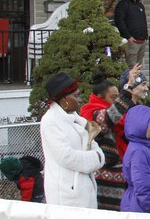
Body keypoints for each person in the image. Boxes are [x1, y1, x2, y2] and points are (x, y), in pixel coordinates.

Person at [39, 72, 105, 208]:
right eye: (76, 96)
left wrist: (97, 156)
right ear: (64, 101)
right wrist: (96, 158)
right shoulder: (50, 121)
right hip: (66, 194)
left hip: (84, 189)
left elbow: (93, 144)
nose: (80, 99)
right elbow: (67, 157)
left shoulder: (77, 119)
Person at [79, 71, 126, 211]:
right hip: (102, 174)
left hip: (118, 172)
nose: (116, 101)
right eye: (114, 98)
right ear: (100, 97)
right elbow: (108, 119)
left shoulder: (107, 111)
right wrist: (128, 94)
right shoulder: (92, 112)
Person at [120, 106, 150, 214]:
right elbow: (143, 187)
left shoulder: (141, 147)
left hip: (139, 207)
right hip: (142, 211)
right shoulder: (139, 151)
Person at [104, 65, 149, 159]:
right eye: (143, 84)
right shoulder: (121, 109)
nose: (146, 89)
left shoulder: (138, 107)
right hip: (127, 157)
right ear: (132, 88)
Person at [114, 0, 148, 68]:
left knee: (138, 67)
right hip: (131, 41)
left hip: (142, 41)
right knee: (131, 67)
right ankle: (131, 82)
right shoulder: (123, 5)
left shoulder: (140, 6)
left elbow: (144, 21)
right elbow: (119, 22)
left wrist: (145, 36)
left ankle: (137, 82)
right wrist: (128, 37)